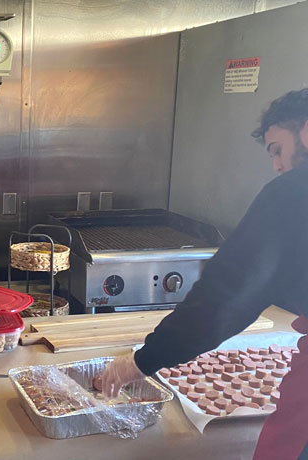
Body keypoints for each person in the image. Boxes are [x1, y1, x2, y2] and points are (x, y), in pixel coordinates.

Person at [102, 88, 308, 460]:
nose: (277, 165)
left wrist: (142, 361)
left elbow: (227, 294)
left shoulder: (292, 190)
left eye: (277, 149)